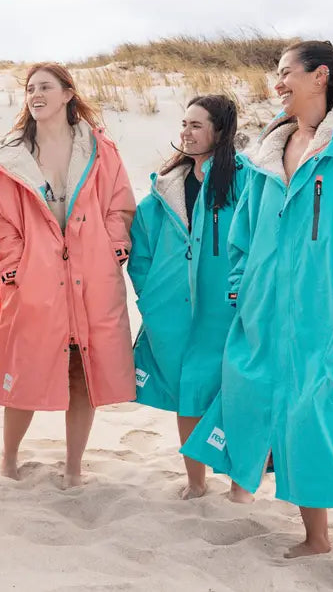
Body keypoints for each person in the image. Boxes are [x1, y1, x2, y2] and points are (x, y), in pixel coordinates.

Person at [182, 41, 333, 583]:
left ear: (320, 76)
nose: (276, 81)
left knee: (332, 429)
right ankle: (316, 539)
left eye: (285, 71)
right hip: (264, 317)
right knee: (288, 423)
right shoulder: (264, 157)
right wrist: (239, 291)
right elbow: (244, 235)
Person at [0, 62, 136, 487]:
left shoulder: (102, 151)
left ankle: (74, 465)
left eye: (45, 87)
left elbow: (119, 204)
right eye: (30, 89)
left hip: (91, 276)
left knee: (84, 371)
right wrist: (14, 266)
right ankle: (8, 458)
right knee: (25, 366)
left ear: (68, 93)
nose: (35, 94)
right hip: (35, 281)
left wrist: (114, 247)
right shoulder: (8, 158)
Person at [128, 95, 250, 500]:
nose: (186, 132)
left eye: (196, 125)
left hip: (226, 310)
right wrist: (149, 296)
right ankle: (196, 482)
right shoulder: (166, 187)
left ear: (220, 130)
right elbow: (140, 247)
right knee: (188, 394)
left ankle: (239, 483)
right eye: (184, 123)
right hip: (175, 313)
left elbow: (257, 239)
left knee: (230, 393)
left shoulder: (244, 180)